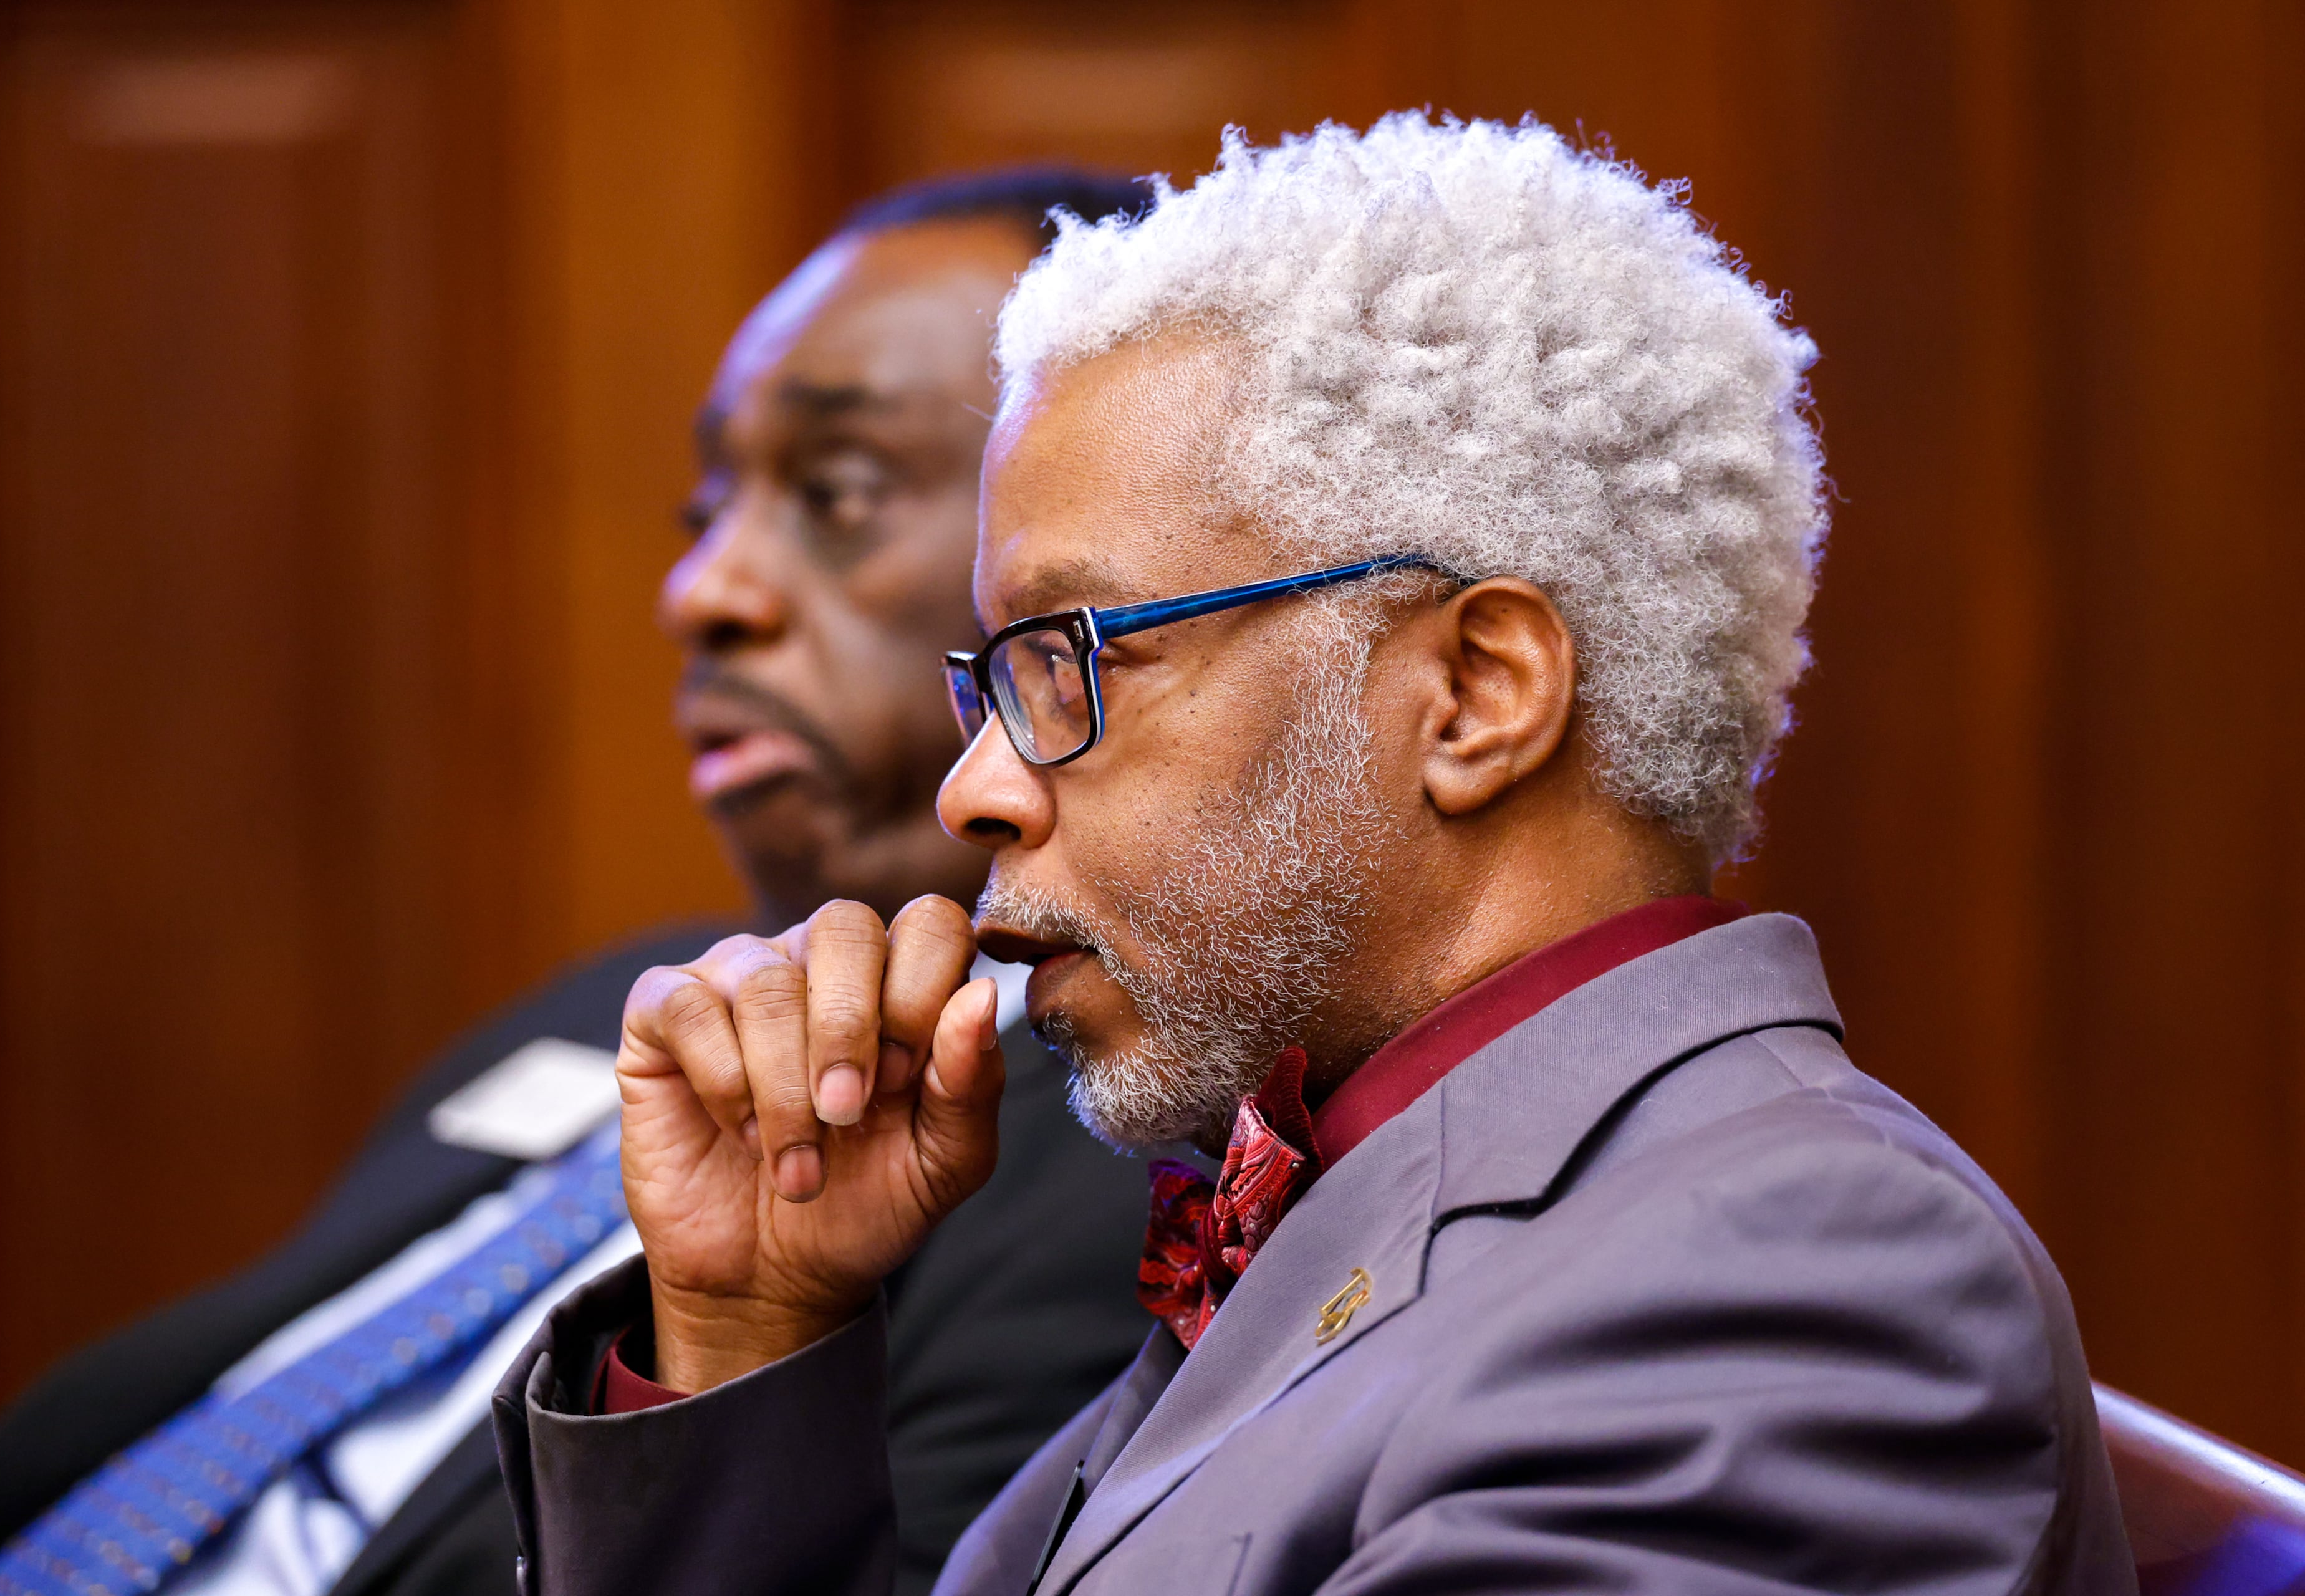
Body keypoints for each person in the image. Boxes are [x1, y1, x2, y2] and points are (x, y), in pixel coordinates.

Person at [486, 115, 2140, 1595]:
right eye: (989, 684)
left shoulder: (1801, 1281)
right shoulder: (1344, 1189)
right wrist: (753, 1335)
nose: (975, 790)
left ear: (1474, 696)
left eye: (1073, 661)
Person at [0, 170, 1158, 1596]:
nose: (704, 588)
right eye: (707, 505)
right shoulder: (606, 1005)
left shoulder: (1126, 1139)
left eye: (839, 491)